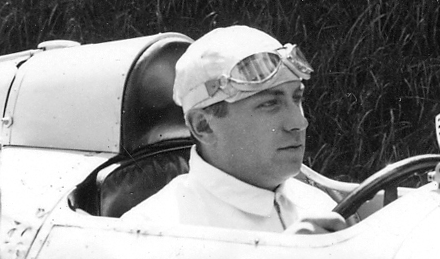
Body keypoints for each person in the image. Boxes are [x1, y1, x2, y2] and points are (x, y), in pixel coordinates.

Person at [123, 25, 347, 233]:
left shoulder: (320, 205)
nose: (299, 122)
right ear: (203, 126)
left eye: (297, 98)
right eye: (269, 104)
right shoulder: (153, 232)